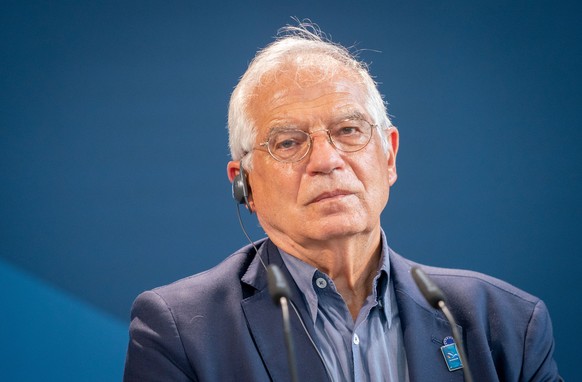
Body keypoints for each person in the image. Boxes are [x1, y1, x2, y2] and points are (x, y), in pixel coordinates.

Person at [123, 22, 561, 381]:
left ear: (388, 155)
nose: (327, 161)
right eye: (289, 142)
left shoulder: (505, 325)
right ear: (245, 186)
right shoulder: (179, 331)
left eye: (349, 131)